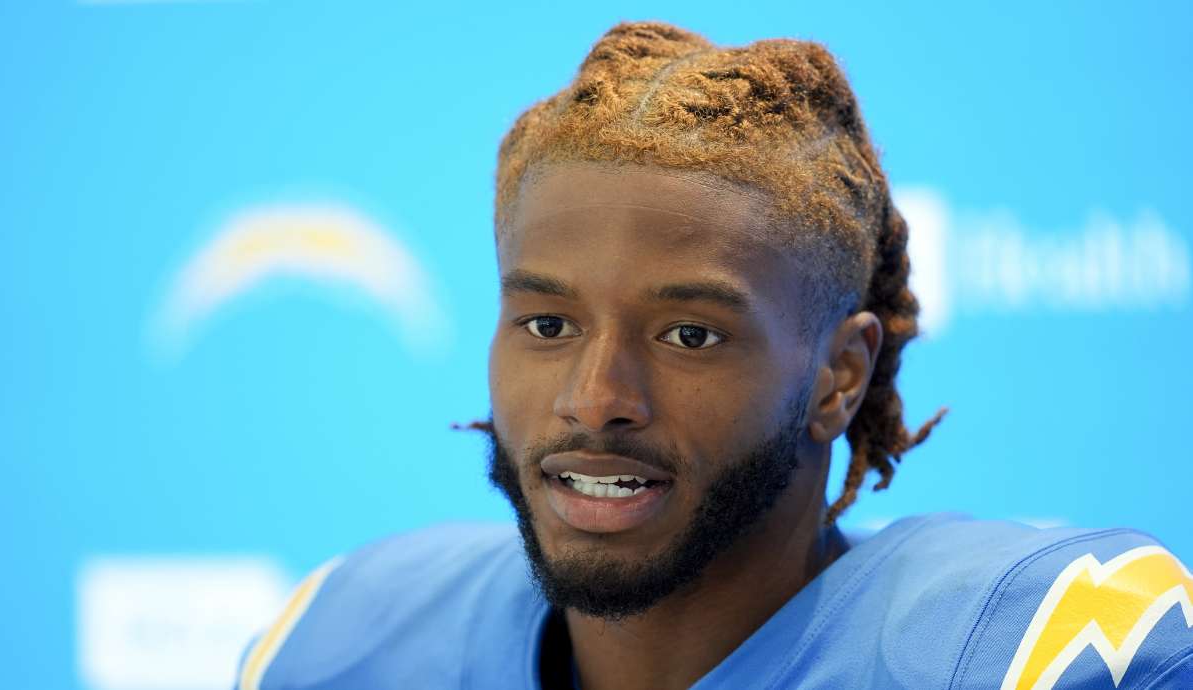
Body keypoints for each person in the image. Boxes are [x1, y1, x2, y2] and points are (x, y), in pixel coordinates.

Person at [234, 22, 1193, 690]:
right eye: (548, 325)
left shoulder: (1039, 652)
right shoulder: (338, 646)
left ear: (839, 376)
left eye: (689, 335)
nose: (595, 398)